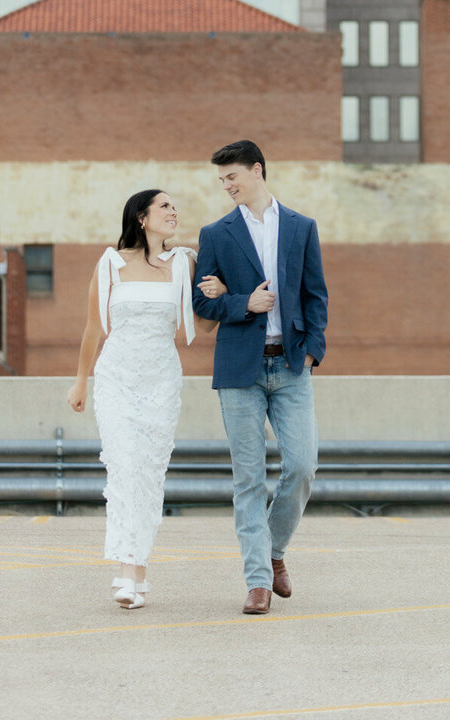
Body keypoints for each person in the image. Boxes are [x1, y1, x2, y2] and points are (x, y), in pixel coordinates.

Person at [192, 139, 329, 616]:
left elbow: (316, 295)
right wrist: (241, 303)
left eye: (232, 177)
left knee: (302, 466)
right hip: (238, 369)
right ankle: (257, 582)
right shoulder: (215, 234)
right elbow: (202, 304)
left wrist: (313, 350)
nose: (227, 186)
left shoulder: (300, 227)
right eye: (221, 180)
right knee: (248, 479)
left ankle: (274, 551)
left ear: (257, 170)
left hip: (291, 366)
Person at [65, 188, 204, 610]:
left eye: (175, 207)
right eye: (164, 206)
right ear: (141, 217)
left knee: (148, 474)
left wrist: (219, 295)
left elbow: (200, 327)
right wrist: (80, 381)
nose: (173, 212)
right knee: (123, 468)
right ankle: (126, 572)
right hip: (116, 379)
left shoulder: (185, 263)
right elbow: (94, 328)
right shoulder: (110, 263)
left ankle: (136, 570)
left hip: (161, 380)